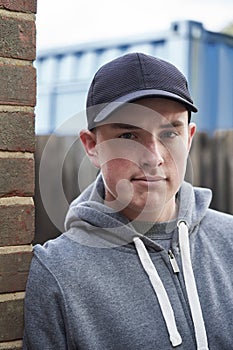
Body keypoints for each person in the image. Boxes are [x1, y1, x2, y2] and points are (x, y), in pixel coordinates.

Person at [23, 53, 233, 350]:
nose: (154, 158)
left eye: (170, 132)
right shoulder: (57, 273)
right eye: (129, 135)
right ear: (92, 146)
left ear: (188, 139)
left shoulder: (230, 241)